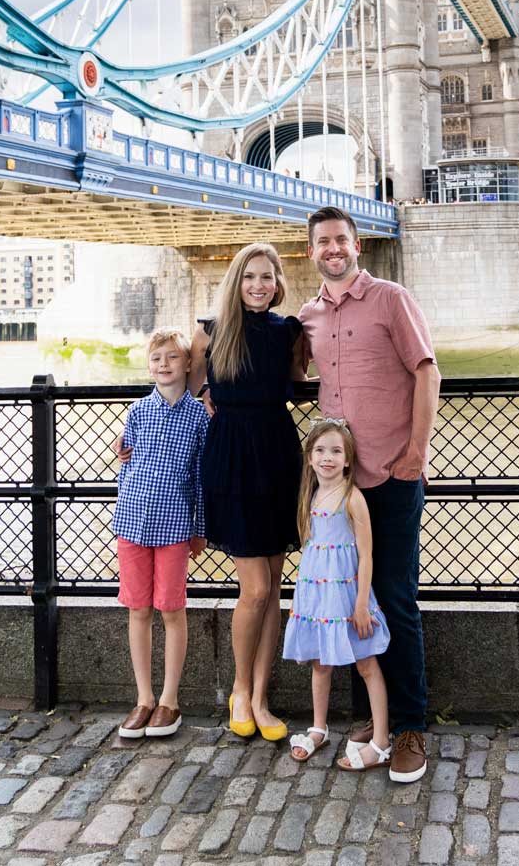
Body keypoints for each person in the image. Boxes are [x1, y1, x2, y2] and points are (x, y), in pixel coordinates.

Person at [299, 205, 440, 784]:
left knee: (394, 598)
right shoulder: (307, 316)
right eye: (322, 243)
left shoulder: (391, 298)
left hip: (391, 474)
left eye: (341, 240)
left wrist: (416, 453)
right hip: (341, 486)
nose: (333, 249)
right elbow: (260, 369)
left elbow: (428, 371)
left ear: (357, 245)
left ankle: (409, 729)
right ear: (311, 252)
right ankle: (369, 719)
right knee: (348, 601)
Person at [190, 241, 307, 741]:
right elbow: (185, 387)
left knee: (275, 587)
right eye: (249, 277)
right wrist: (134, 434)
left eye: (267, 277)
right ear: (235, 282)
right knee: (255, 588)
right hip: (233, 460)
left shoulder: (290, 331)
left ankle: (262, 697)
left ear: (279, 283)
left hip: (278, 456)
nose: (259, 285)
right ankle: (240, 689)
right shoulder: (210, 333)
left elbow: (302, 380)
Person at [111, 328, 207, 741]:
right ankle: (144, 698)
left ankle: (170, 699)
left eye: (172, 357)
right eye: (156, 359)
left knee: (171, 609)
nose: (163, 365)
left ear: (187, 364)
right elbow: (126, 464)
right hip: (132, 522)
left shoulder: (199, 416)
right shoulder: (136, 412)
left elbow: (200, 478)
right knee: (137, 609)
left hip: (173, 526)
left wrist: (199, 529)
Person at [283, 419, 391, 771]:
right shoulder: (310, 495)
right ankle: (318, 728)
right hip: (319, 598)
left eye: (335, 451)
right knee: (320, 663)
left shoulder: (352, 497)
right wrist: (303, 604)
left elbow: (366, 554)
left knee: (366, 663)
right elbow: (313, 554)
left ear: (347, 460)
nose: (327, 457)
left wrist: (361, 603)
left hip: (348, 598)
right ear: (310, 457)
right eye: (320, 450)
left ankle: (382, 740)